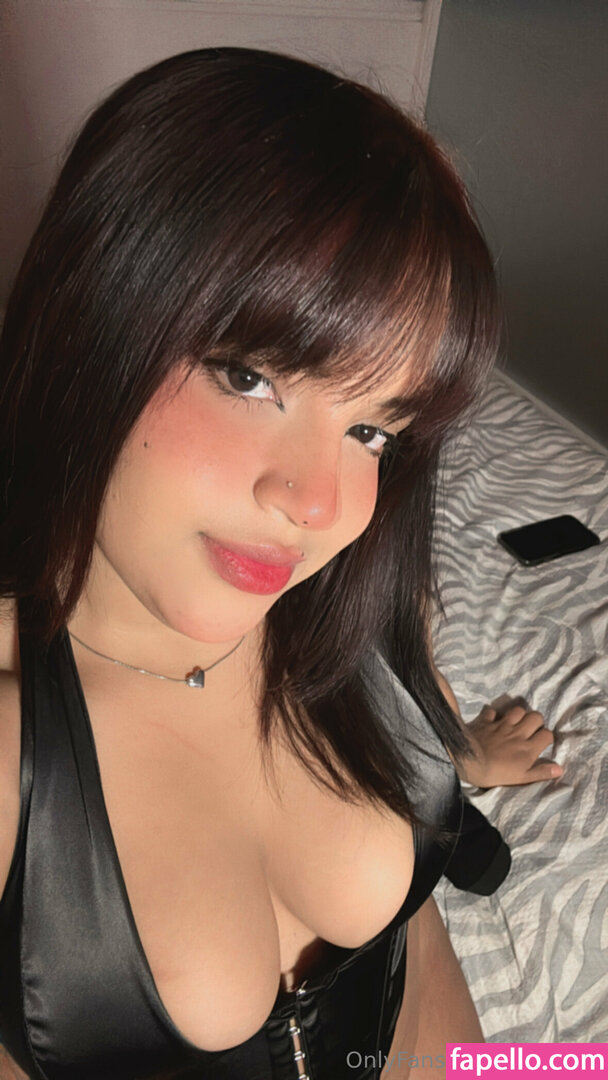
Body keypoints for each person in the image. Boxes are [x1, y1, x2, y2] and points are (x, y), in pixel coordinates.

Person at [0, 48, 562, 1080]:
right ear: (93, 319)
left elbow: (415, 948)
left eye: (373, 431)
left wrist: (450, 760)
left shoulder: (357, 602)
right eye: (249, 376)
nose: (318, 508)